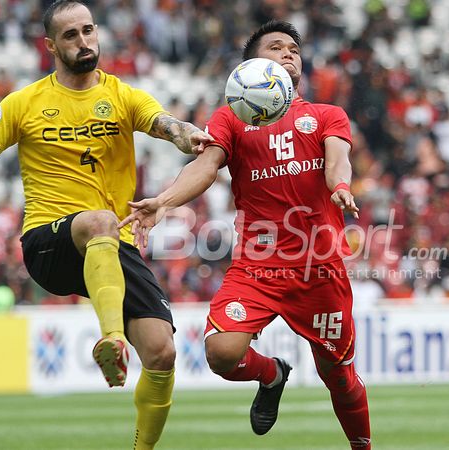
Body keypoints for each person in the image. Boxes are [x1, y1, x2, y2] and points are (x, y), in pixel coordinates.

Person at [0, 2, 213, 448]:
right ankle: (112, 341)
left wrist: (186, 133)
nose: (84, 41)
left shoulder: (122, 96)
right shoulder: (23, 103)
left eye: (88, 31)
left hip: (111, 244)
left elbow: (165, 124)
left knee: (162, 351)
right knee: (101, 220)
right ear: (50, 45)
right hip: (49, 244)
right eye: (71, 35)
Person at [121, 21, 372, 449]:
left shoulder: (326, 115)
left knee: (339, 376)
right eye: (276, 47)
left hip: (320, 270)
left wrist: (342, 187)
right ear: (251, 67)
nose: (289, 53)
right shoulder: (230, 120)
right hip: (258, 267)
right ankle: (272, 375)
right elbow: (204, 166)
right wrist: (164, 201)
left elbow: (338, 161)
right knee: (220, 352)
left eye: (294, 48)